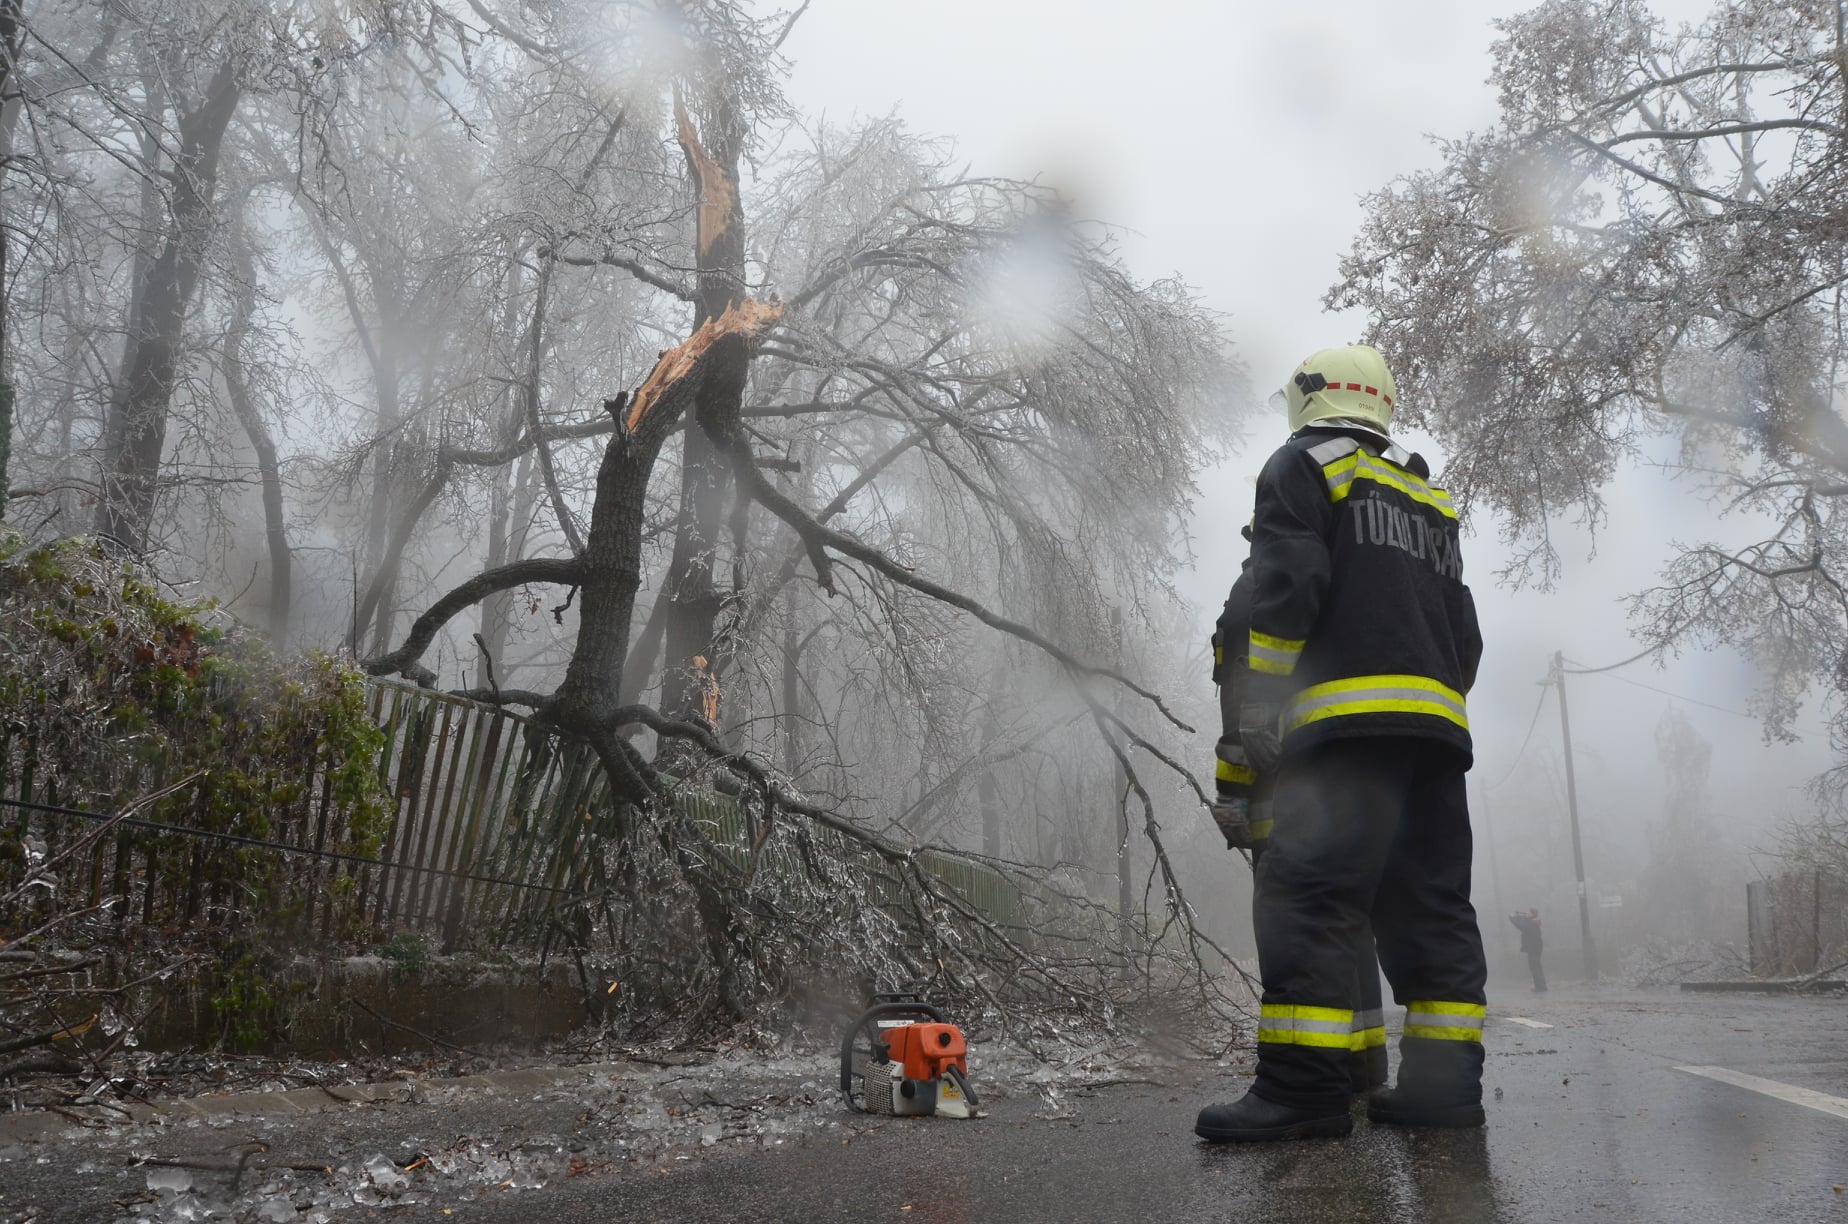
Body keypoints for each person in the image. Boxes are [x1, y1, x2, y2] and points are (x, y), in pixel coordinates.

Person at [1195, 344, 1487, 1143]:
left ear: (1307, 399)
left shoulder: (1303, 465)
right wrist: (1426, 715)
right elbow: (1464, 637)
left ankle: (1303, 1093)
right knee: (1431, 908)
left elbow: (1286, 590)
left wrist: (1263, 703)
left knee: (1313, 904)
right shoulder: (1427, 492)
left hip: (1342, 737)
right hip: (1434, 738)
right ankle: (1443, 1090)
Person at [1210, 538, 1387, 1093]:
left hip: (1280, 798)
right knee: (1347, 927)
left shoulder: (1254, 591)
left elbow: (1245, 706)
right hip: (1341, 787)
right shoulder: (1343, 578)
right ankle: (1362, 1066)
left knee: (1290, 932)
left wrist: (1230, 791)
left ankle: (1309, 1083)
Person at [1510, 908, 1546, 992]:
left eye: (1528, 912)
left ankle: (1540, 987)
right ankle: (1541, 986)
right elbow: (1523, 921)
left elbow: (1520, 925)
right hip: (1536, 949)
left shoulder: (1531, 923)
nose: (1526, 913)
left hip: (1533, 949)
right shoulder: (1532, 922)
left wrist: (1512, 918)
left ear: (1532, 914)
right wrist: (1517, 916)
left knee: (1535, 968)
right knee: (1537, 968)